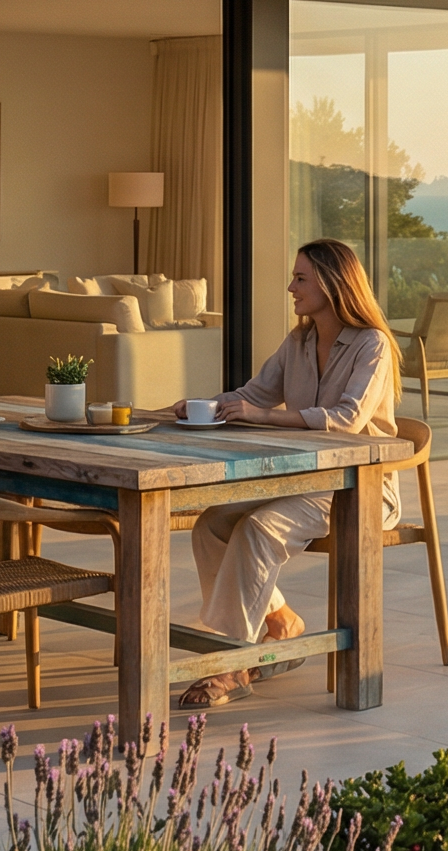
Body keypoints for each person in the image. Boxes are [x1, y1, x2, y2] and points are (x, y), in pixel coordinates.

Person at [169, 237, 403, 709]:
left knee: (257, 529)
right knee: (212, 523)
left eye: (301, 278)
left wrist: (263, 416)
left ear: (333, 285)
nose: (290, 287)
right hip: (301, 478)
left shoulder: (372, 345)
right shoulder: (297, 341)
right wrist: (201, 407)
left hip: (359, 488)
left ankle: (231, 664)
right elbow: (254, 393)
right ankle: (280, 626)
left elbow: (346, 418)